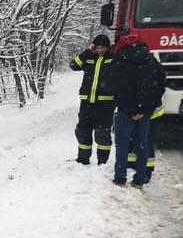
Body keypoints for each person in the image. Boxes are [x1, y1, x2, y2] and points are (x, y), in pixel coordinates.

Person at [110, 41, 166, 188]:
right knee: (142, 145)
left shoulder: (121, 62)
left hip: (125, 112)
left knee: (122, 146)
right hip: (145, 114)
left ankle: (120, 178)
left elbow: (116, 88)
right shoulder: (153, 63)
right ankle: (140, 179)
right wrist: (146, 110)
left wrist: (128, 109)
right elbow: (159, 87)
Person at [69, 34, 116, 165]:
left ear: (107, 47)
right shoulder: (89, 58)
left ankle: (102, 162)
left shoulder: (113, 59)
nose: (100, 50)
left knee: (102, 134)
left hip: (105, 103)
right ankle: (83, 159)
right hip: (87, 102)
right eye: (97, 48)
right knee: (83, 131)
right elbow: (73, 65)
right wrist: (88, 52)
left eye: (103, 48)